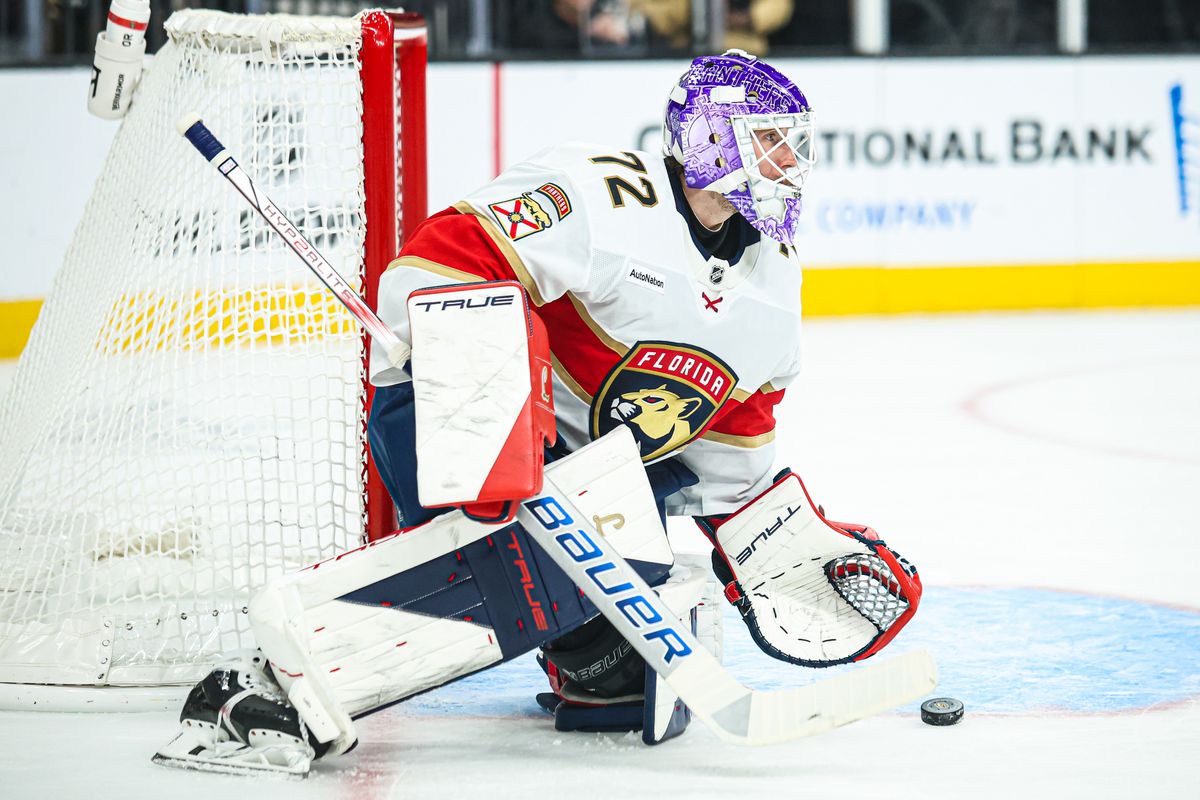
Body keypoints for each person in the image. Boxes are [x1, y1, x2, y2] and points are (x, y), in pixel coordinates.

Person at [154, 50, 921, 778]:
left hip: (591, 475)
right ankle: (285, 679)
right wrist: (479, 378)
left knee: (617, 679)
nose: (791, 166)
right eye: (771, 145)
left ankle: (574, 640)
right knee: (520, 562)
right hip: (456, 413)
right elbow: (436, 260)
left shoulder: (771, 281)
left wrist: (776, 540)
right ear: (714, 142)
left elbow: (732, 443)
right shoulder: (602, 192)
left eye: (794, 148)